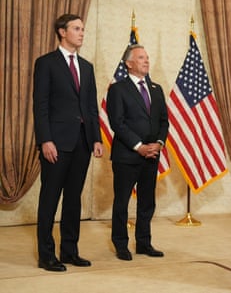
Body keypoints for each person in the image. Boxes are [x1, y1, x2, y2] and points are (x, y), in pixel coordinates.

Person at [33, 14, 103, 272]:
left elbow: (91, 107)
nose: (82, 33)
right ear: (62, 32)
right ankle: (46, 256)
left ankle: (70, 251)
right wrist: (45, 140)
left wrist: (95, 138)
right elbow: (40, 106)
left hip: (82, 143)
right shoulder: (46, 63)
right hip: (56, 143)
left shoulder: (87, 67)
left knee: (73, 200)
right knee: (50, 199)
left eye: (83, 29)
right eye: (76, 28)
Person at [106, 44, 169, 261]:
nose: (146, 61)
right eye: (141, 57)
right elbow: (117, 123)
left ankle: (144, 243)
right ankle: (121, 245)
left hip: (152, 156)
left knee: (147, 202)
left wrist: (158, 143)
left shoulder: (156, 89)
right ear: (129, 63)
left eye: (147, 57)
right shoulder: (117, 89)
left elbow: (163, 121)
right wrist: (139, 146)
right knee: (122, 202)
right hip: (127, 156)